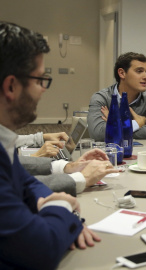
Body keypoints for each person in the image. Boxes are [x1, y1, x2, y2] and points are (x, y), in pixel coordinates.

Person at [0, 21, 102, 269]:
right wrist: (64, 206)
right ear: (11, 86)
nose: (44, 90)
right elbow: (41, 249)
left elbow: (26, 183)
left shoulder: (5, 140)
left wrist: (53, 206)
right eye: (40, 80)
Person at [87, 52, 146, 141]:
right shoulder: (101, 98)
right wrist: (137, 124)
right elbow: (98, 133)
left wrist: (115, 124)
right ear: (122, 73)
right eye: (139, 71)